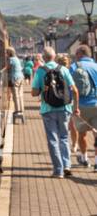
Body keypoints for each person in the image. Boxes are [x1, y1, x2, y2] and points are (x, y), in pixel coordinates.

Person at [31, 46, 79, 177]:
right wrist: (76, 108)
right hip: (64, 109)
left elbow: (34, 92)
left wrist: (42, 89)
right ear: (54, 56)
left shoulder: (41, 71)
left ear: (44, 58)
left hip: (48, 110)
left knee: (53, 139)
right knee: (64, 137)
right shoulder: (63, 69)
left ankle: (58, 171)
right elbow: (74, 90)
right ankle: (67, 165)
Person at [70, 43, 97, 168]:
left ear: (81, 54)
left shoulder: (74, 66)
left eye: (76, 53)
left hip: (80, 106)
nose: (75, 56)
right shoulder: (96, 66)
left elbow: (69, 87)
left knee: (82, 134)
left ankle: (85, 158)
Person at [6, 46, 25, 123]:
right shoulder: (17, 59)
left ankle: (17, 110)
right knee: (20, 95)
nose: (5, 54)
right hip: (20, 77)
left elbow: (7, 68)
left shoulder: (11, 59)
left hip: (14, 78)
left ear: (9, 53)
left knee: (15, 95)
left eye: (6, 52)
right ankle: (21, 109)